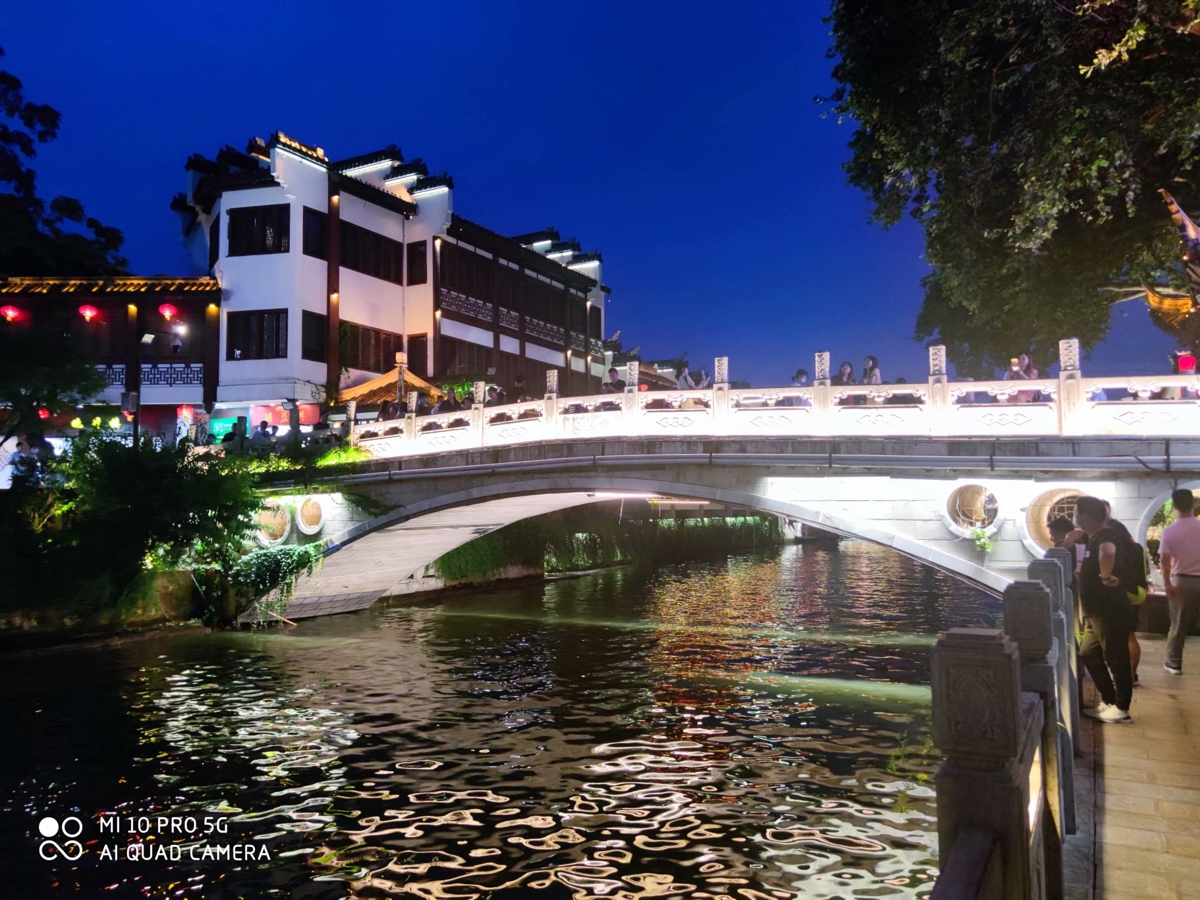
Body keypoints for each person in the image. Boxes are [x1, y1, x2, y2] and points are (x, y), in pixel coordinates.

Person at [1075, 496, 1134, 723]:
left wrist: (1105, 575)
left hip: (1109, 609)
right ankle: (1109, 700)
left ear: (1088, 516)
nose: (1075, 516)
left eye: (1077, 512)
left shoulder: (1106, 535)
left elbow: (1108, 552)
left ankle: (1121, 708)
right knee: (1087, 653)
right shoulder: (1093, 537)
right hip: (1095, 612)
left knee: (1116, 657)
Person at [1161, 488, 1200, 674]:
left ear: (1174, 506)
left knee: (1178, 624)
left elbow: (1164, 560)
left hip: (1182, 582)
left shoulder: (1169, 531)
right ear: (1193, 504)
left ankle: (1174, 663)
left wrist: (1167, 583)